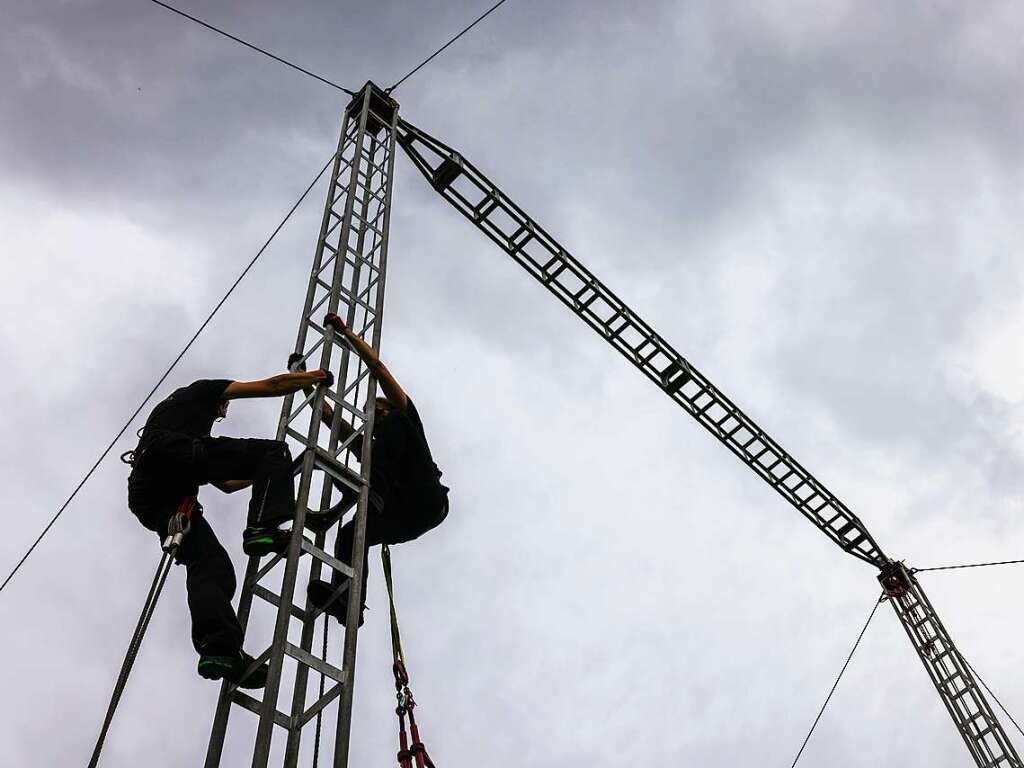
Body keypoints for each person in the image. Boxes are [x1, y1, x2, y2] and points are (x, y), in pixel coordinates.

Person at [126, 368, 332, 688]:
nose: (222, 412)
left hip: (152, 496)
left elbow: (227, 485)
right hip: (174, 458)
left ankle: (220, 650)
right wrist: (314, 377)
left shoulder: (173, 416)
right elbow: (272, 385)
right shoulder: (205, 390)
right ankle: (262, 528)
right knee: (273, 450)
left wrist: (275, 472)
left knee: (210, 565)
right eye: (223, 408)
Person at [302, 312, 449, 627]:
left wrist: (347, 334)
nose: (374, 419)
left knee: (394, 427)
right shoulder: (377, 446)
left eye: (377, 412)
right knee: (351, 533)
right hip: (403, 513)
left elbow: (378, 369)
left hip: (425, 496)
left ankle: (374, 493)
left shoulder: (402, 417)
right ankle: (348, 602)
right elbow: (334, 422)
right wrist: (301, 380)